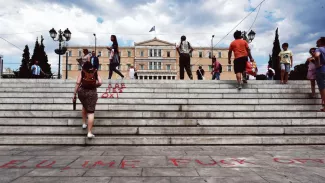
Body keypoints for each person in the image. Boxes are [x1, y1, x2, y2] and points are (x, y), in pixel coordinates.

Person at [73, 62, 102, 138]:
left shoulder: (82, 72)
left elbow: (78, 83)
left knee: (84, 106)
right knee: (91, 113)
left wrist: (74, 94)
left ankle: (83, 123)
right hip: (92, 93)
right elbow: (100, 82)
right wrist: (95, 85)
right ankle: (89, 133)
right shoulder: (95, 72)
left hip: (82, 92)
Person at [315, 37, 325, 111]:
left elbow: (317, 55)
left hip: (321, 70)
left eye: (317, 42)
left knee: (322, 88)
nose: (316, 43)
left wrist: (318, 64)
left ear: (321, 42)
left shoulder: (319, 49)